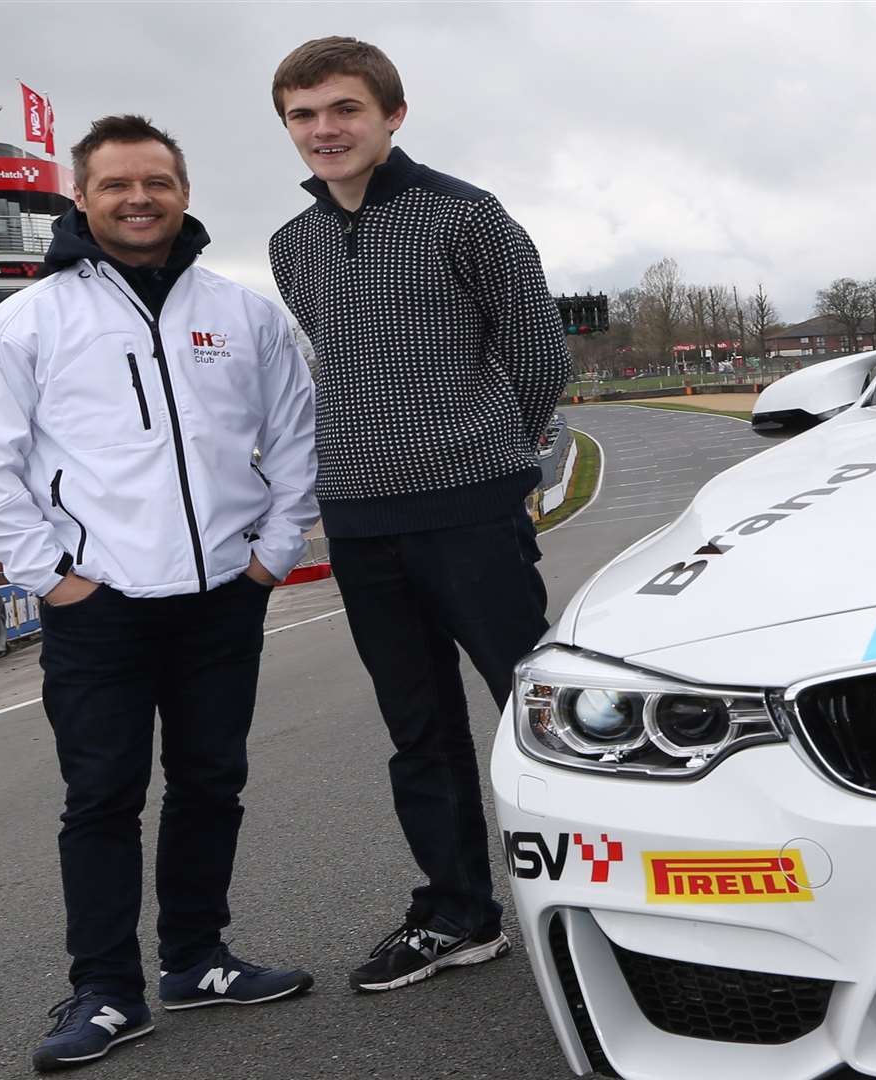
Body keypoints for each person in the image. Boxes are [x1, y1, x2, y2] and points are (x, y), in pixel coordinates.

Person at [0, 114, 320, 1072]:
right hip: (97, 608)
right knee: (102, 798)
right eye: (116, 184)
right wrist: (53, 579)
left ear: (184, 192)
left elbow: (298, 435)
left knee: (210, 783)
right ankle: (106, 991)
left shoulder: (243, 313)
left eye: (156, 181)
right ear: (83, 198)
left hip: (221, 598)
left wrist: (270, 556)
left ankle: (197, 959)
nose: (138, 198)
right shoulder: (30, 319)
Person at [267, 37, 570, 992]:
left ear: (391, 116)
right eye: (304, 115)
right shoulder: (293, 244)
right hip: (359, 519)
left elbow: (538, 352)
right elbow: (338, 368)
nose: (325, 130)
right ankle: (458, 914)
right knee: (418, 729)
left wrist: (490, 460)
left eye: (343, 109)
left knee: (537, 712)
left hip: (470, 511)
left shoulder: (466, 216)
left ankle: (602, 895)